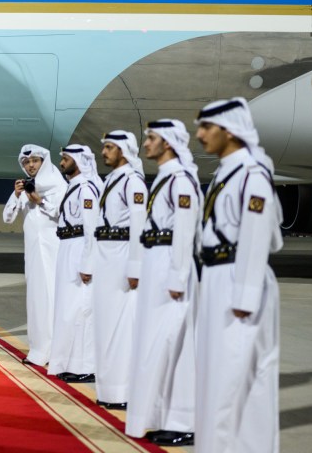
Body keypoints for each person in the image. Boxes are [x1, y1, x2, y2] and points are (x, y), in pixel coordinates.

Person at [193, 97, 282, 453]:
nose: (199, 135)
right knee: (217, 374)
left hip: (240, 278)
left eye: (206, 127)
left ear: (229, 131)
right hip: (217, 276)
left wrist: (245, 295)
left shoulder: (251, 174)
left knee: (242, 374)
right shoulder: (225, 173)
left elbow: (261, 236)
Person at [124, 119, 199, 448]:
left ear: (167, 143)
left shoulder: (181, 180)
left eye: (151, 138)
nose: (145, 145)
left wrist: (178, 276)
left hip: (171, 267)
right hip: (159, 265)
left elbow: (184, 232)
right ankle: (164, 415)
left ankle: (183, 420)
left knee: (177, 346)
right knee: (158, 346)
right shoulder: (165, 179)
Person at [90, 130, 146, 410]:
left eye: (109, 147)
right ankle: (109, 390)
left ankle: (123, 391)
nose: (104, 153)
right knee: (105, 325)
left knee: (121, 327)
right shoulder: (112, 180)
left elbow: (139, 225)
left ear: (123, 150)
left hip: (122, 254)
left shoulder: (134, 182)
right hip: (106, 256)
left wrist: (135, 266)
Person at [1, 144, 65, 365]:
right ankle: (39, 350)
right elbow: (7, 218)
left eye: (34, 161)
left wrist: (40, 200)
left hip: (55, 253)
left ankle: (57, 351)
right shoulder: (27, 188)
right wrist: (17, 194)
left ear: (44, 161)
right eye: (26, 163)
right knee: (37, 301)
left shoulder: (58, 185)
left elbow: (62, 212)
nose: (30, 166)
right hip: (34, 255)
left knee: (55, 300)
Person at [51, 144, 101, 383]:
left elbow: (92, 228)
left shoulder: (87, 189)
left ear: (79, 161)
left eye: (66, 158)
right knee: (69, 310)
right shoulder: (75, 187)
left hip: (80, 248)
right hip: (69, 247)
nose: (62, 162)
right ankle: (74, 362)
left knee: (82, 309)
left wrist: (87, 263)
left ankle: (88, 367)